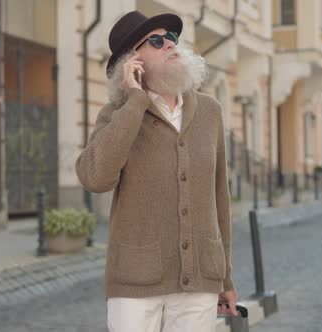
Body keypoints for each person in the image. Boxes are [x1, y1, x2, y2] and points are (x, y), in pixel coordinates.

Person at [75, 10, 238, 332]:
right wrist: (135, 101)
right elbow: (94, 177)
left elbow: (219, 197)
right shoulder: (117, 115)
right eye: (156, 40)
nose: (170, 45)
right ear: (132, 62)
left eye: (172, 38)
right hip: (135, 283)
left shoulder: (209, 111)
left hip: (200, 282)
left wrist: (225, 278)